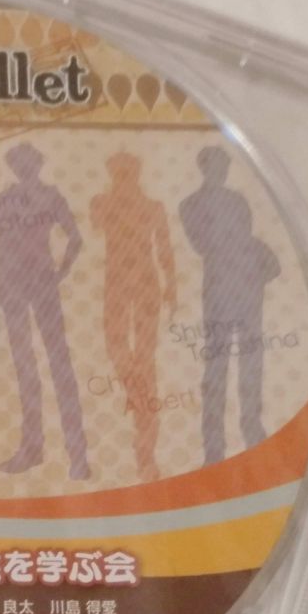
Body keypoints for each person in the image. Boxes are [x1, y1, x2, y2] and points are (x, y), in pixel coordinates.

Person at [0, 142, 90, 480]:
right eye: (17, 162)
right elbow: (1, 241)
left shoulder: (52, 195)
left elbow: (75, 238)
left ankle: (78, 456)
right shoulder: (6, 197)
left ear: (37, 163)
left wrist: (61, 271)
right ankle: (32, 448)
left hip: (42, 282)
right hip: (13, 284)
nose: (23, 167)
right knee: (25, 366)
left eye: (28, 161)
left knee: (59, 363)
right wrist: (0, 280)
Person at [178, 146, 280, 464]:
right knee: (217, 366)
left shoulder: (238, 200)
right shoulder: (190, 204)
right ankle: (213, 446)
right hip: (219, 288)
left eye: (224, 165)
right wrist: (236, 245)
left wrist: (253, 260)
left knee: (251, 360)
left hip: (248, 285)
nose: (221, 170)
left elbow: (245, 235)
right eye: (215, 164)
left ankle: (253, 431)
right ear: (204, 167)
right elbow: (202, 244)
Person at [90, 154, 177, 481]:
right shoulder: (102, 202)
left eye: (128, 173)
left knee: (145, 358)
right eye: (118, 174)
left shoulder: (153, 207)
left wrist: (172, 287)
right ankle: (139, 398)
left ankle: (145, 452)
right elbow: (96, 223)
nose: (123, 179)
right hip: (117, 284)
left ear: (137, 174)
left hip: (145, 284)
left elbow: (164, 248)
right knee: (118, 350)